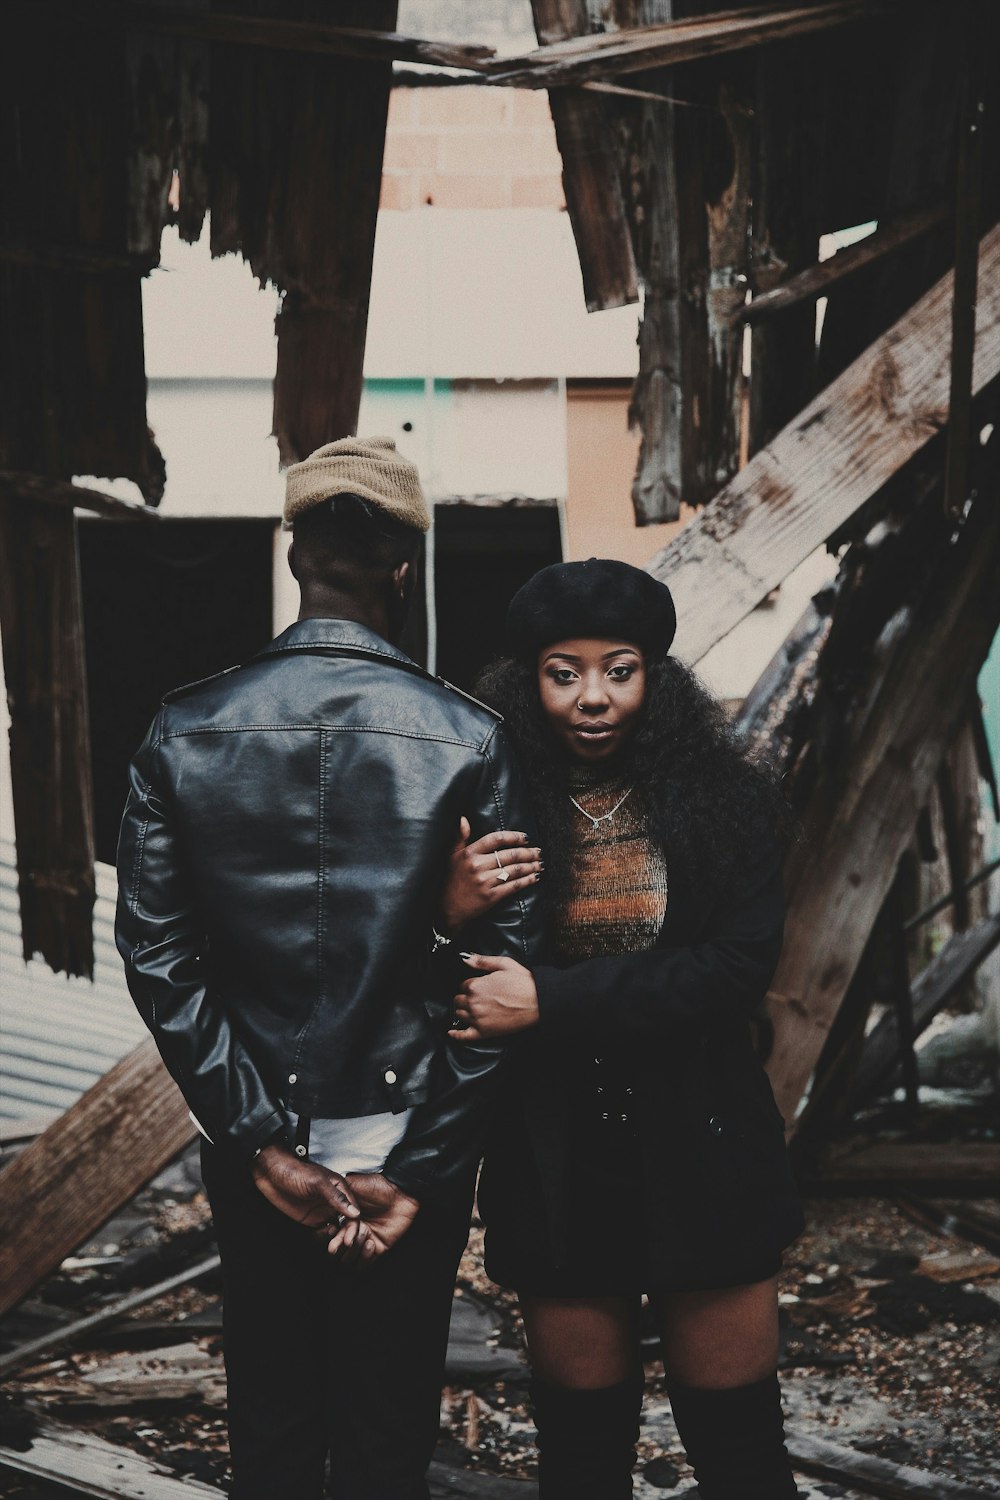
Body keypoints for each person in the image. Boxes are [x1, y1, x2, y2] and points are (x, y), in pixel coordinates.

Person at [115, 436, 543, 1500]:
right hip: (407, 1136)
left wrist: (259, 1141)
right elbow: (504, 980)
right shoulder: (473, 740)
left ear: (293, 551)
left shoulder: (185, 730)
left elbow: (159, 958)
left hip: (256, 1135)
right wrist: (422, 1171)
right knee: (389, 1436)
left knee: (268, 1427)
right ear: (405, 566)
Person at [440, 558, 804, 1499]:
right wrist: (445, 911)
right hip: (556, 1159)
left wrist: (550, 1004)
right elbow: (435, 988)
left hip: (706, 1145)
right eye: (564, 672)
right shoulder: (488, 809)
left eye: (620, 669)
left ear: (657, 678)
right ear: (529, 681)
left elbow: (734, 969)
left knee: (740, 1457)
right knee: (581, 1460)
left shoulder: (726, 803)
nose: (592, 697)